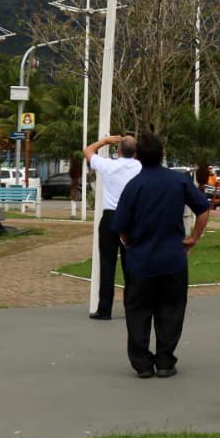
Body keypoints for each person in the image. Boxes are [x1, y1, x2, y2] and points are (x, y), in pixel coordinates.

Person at [111, 133, 210, 379]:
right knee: (172, 309)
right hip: (173, 259)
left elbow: (121, 226)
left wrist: (129, 240)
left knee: (137, 311)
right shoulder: (179, 181)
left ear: (138, 157)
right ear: (163, 153)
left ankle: (142, 363)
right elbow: (204, 209)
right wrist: (193, 238)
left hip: (140, 261)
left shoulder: (133, 186)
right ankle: (165, 361)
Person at [84, 133, 140, 320]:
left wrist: (104, 141)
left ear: (118, 150)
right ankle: (132, 307)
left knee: (107, 264)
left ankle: (104, 309)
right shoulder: (140, 167)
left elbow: (88, 151)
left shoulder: (109, 166)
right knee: (130, 264)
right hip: (131, 219)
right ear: (135, 152)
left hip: (110, 218)